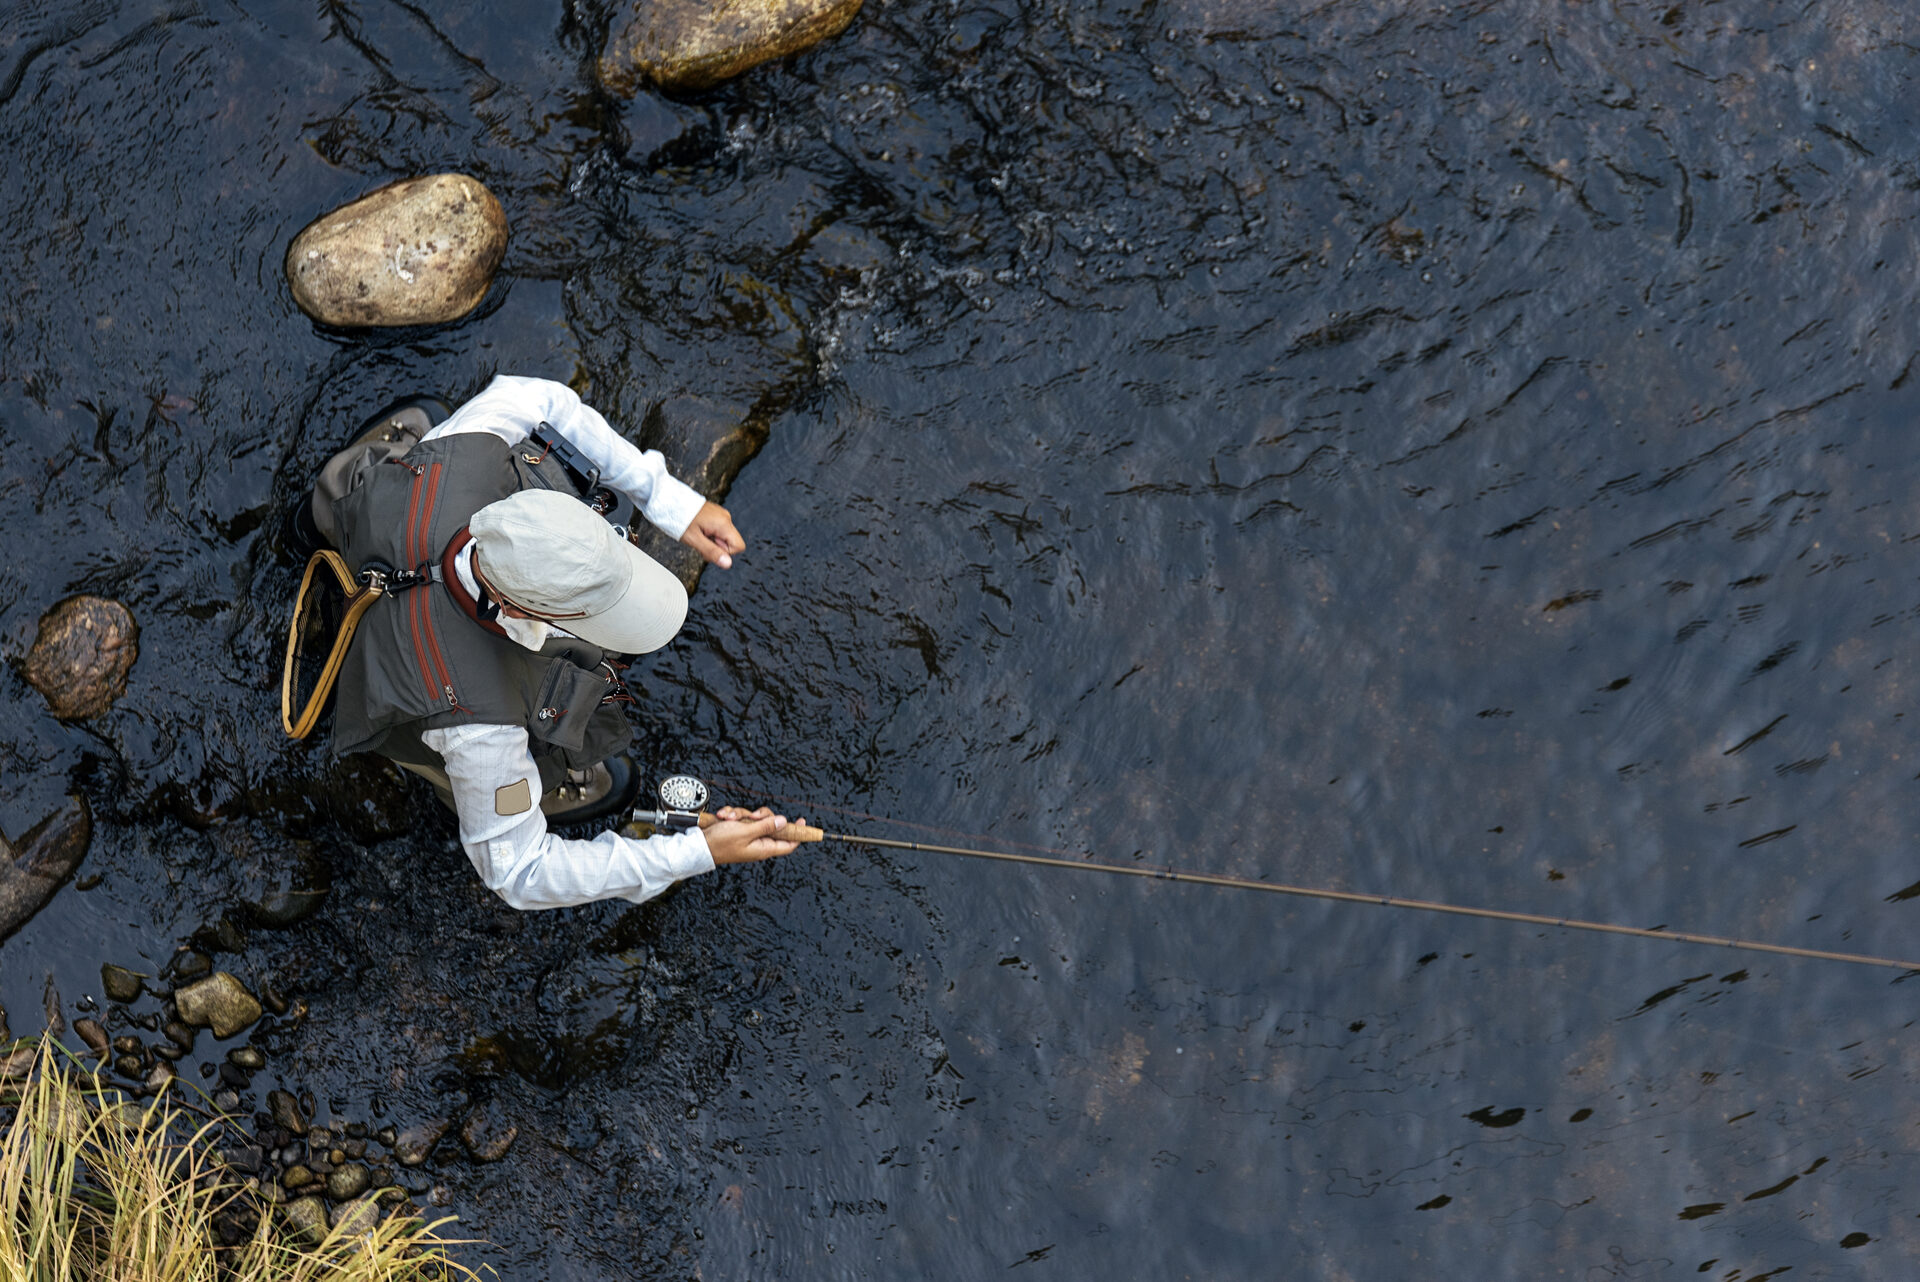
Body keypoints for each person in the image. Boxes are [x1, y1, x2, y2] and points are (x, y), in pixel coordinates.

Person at [292, 374, 802, 909]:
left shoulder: (470, 448)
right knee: (466, 762)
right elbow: (519, 871)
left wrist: (669, 500)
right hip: (427, 701)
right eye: (596, 613)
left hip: (392, 518)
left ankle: (322, 508)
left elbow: (548, 400)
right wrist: (696, 852)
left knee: (407, 452)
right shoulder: (480, 730)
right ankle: (457, 787)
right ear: (524, 609)